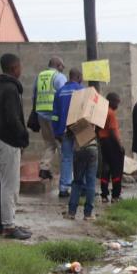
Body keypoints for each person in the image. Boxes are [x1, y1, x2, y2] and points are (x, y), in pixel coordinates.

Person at [0, 53, 31, 240]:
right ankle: (8, 226)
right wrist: (23, 136)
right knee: (10, 186)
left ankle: (9, 222)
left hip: (0, 139)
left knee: (7, 184)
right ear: (14, 67)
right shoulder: (10, 89)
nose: (21, 69)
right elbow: (12, 118)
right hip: (8, 141)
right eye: (20, 66)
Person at [52, 68, 85, 198]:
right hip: (80, 130)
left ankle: (64, 188)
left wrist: (56, 131)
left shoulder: (59, 92)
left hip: (64, 131)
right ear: (78, 77)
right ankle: (81, 188)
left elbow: (55, 115)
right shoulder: (82, 90)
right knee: (82, 159)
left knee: (66, 159)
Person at [32, 57, 66, 180]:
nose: (64, 68)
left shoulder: (39, 76)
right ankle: (66, 175)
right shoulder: (59, 77)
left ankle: (44, 168)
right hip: (54, 116)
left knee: (49, 144)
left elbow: (34, 95)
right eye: (62, 65)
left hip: (41, 114)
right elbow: (64, 95)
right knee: (62, 145)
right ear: (57, 65)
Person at [64, 115, 99, 221]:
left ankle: (71, 213)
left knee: (77, 182)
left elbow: (69, 135)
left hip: (79, 150)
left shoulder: (73, 116)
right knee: (91, 182)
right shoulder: (92, 114)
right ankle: (88, 214)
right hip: (92, 149)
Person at [98, 92, 125, 203]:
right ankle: (115, 195)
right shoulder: (111, 113)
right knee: (116, 170)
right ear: (111, 101)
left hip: (103, 142)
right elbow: (113, 131)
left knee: (105, 169)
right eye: (117, 102)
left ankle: (104, 195)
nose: (117, 105)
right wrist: (120, 146)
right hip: (111, 143)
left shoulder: (101, 111)